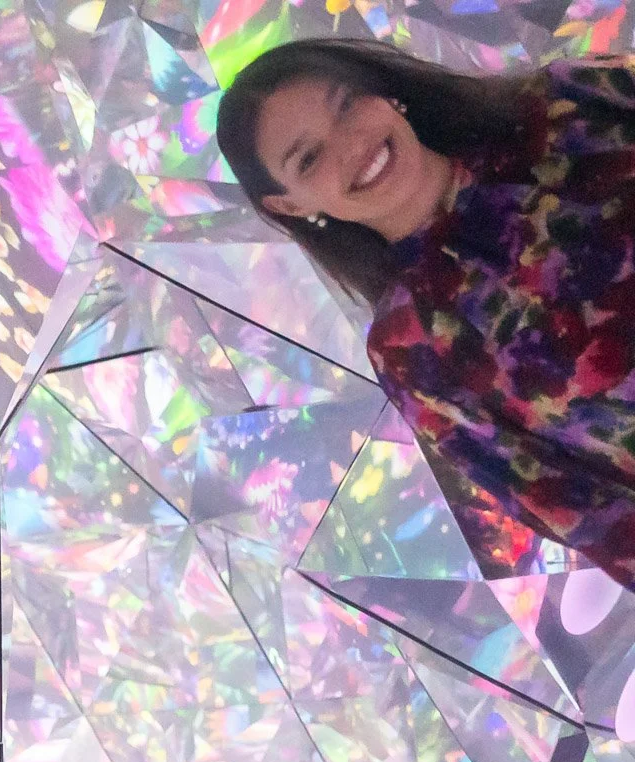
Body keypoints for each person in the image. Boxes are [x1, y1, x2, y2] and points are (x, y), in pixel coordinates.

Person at [216, 38, 635, 589]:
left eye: (346, 104)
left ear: (383, 94)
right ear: (291, 205)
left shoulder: (557, 105)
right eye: (310, 157)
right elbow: (575, 507)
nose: (353, 144)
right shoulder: (412, 350)